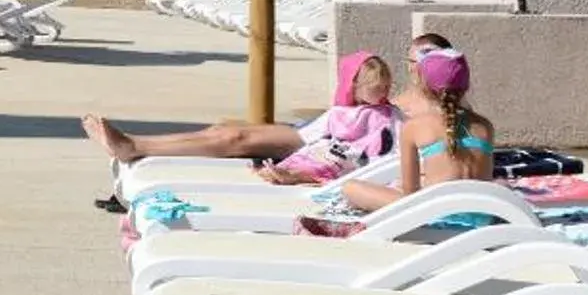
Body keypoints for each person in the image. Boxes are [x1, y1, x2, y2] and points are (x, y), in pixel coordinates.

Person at [83, 49, 398, 177]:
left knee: (233, 137)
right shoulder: (350, 110)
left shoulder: (391, 117)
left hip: (320, 144)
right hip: (316, 133)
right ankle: (135, 143)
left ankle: (135, 146)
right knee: (222, 130)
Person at [337, 44, 493, 213]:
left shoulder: (414, 127)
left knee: (350, 187)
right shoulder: (485, 126)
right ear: (466, 85)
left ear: (423, 87)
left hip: (435, 216)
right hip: (480, 214)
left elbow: (410, 195)